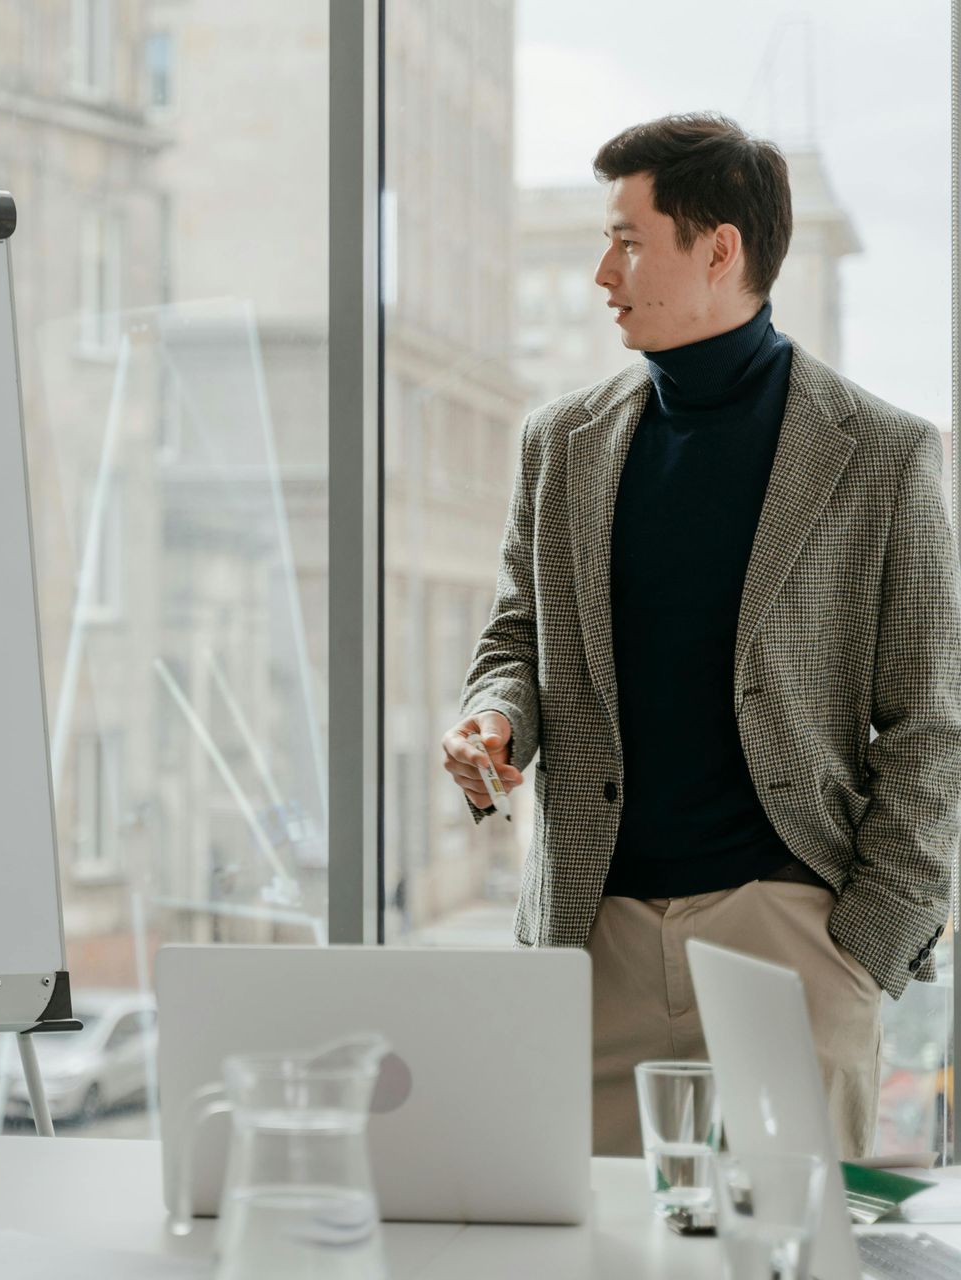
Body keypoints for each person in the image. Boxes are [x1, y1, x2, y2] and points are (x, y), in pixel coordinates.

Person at [441, 114, 961, 1158]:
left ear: (720, 250)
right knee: (588, 1237)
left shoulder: (885, 453)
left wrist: (865, 947)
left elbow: (930, 722)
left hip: (794, 941)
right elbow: (516, 638)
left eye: (627, 242)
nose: (603, 273)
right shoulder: (559, 441)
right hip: (590, 938)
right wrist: (494, 716)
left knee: (791, 1239)